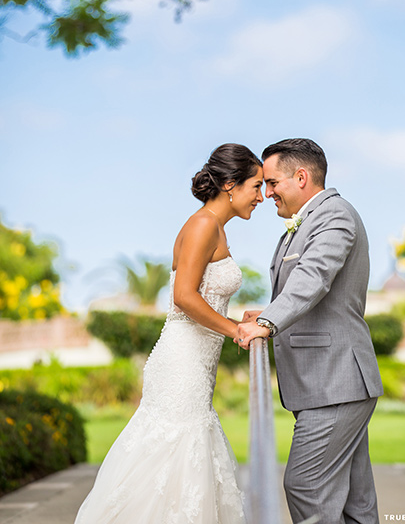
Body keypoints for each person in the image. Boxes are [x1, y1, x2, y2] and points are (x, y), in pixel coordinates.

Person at [75, 143, 264, 524]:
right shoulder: (202, 225)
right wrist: (235, 331)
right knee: (171, 454)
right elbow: (183, 297)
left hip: (197, 364)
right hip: (181, 363)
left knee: (187, 461)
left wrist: (243, 317)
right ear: (230, 184)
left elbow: (207, 292)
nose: (262, 196)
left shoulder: (215, 228)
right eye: (256, 186)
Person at [236, 138, 383, 524]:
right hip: (331, 382)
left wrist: (266, 324)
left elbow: (313, 277)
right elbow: (315, 289)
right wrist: (269, 310)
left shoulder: (334, 216)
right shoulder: (311, 220)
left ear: (301, 177)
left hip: (335, 381)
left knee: (306, 485)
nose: (266, 193)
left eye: (271, 183)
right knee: (356, 502)